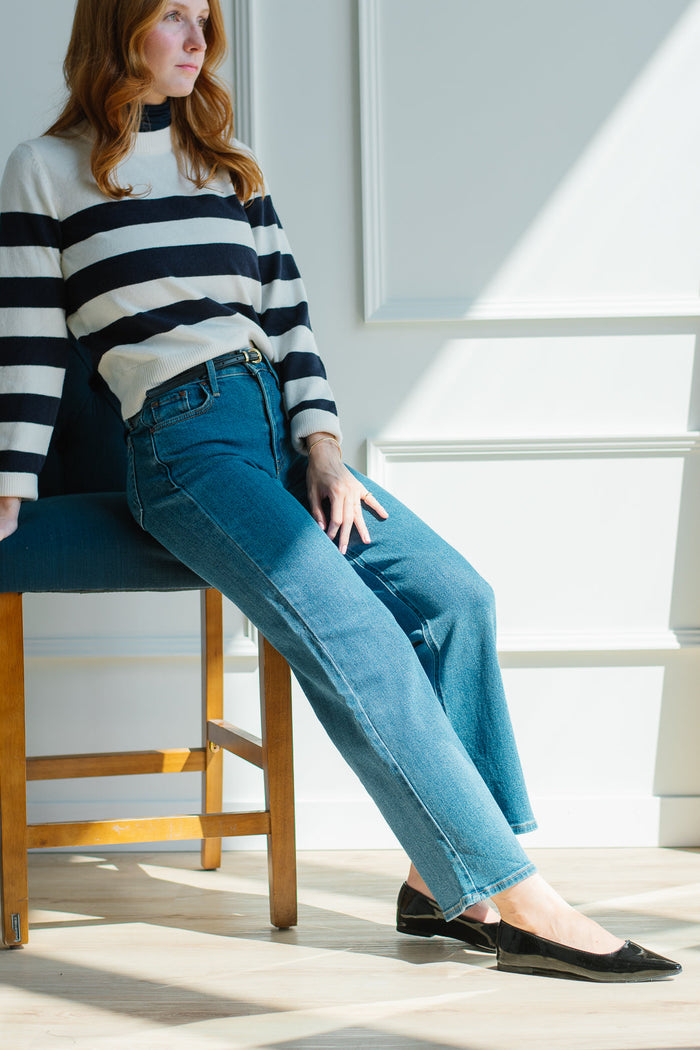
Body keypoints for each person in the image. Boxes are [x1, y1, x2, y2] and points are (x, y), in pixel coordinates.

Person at [0, 0, 680, 983]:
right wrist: (12, 479)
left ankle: (432, 880)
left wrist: (322, 446)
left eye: (205, 18)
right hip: (183, 443)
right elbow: (25, 336)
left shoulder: (230, 166)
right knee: (357, 635)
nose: (198, 38)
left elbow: (289, 317)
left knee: (453, 597)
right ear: (117, 25)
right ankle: (519, 899)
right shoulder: (44, 168)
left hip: (277, 432)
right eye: (173, 16)